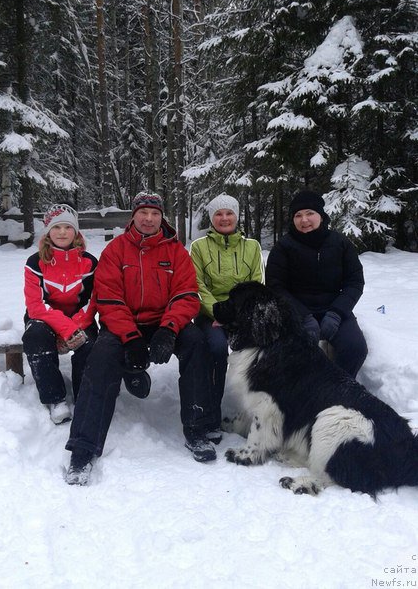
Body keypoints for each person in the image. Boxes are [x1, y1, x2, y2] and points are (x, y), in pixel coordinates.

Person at [65, 192, 216, 485]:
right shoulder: (116, 250)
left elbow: (186, 295)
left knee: (197, 343)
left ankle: (197, 429)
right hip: (124, 323)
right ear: (133, 216)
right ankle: (83, 448)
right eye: (143, 213)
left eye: (155, 214)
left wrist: (169, 329)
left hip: (164, 322)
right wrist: (131, 338)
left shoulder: (176, 252)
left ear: (162, 217)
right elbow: (108, 298)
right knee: (100, 358)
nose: (149, 219)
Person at [265, 190, 368, 378]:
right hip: (296, 311)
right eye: (298, 215)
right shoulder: (283, 247)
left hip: (335, 309)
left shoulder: (340, 243)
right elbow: (275, 286)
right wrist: (302, 316)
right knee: (292, 354)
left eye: (309, 213)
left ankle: (339, 390)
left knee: (355, 348)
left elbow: (354, 281)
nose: (304, 220)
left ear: (321, 215)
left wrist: (337, 313)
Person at [190, 193, 264, 439]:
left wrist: (239, 317)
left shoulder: (252, 247)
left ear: (237, 216)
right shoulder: (199, 247)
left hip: (244, 315)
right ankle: (211, 416)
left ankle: (258, 416)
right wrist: (218, 313)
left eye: (229, 213)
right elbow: (197, 286)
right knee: (217, 348)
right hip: (210, 314)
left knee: (261, 351)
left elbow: (256, 285)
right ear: (212, 218)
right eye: (218, 214)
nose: (224, 218)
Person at [22, 203, 98, 424]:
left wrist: (75, 327)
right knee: (35, 337)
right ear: (48, 231)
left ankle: (83, 397)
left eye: (67, 227)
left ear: (76, 231)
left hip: (80, 318)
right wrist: (65, 329)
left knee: (90, 344)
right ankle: (55, 398)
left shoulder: (90, 262)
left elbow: (94, 302)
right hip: (43, 319)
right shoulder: (35, 262)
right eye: (56, 227)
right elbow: (35, 306)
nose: (62, 232)